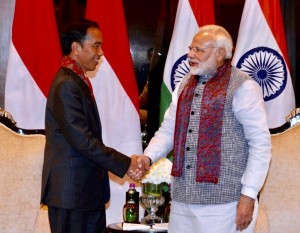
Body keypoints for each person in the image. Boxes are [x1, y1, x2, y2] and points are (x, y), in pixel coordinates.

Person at [141, 25, 272, 233]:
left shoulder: (243, 86)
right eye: (191, 48)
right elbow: (168, 130)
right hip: (183, 201)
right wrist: (147, 157)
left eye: (199, 50)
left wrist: (249, 195)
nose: (190, 55)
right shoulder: (185, 84)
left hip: (226, 203)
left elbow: (260, 144)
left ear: (220, 54)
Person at [41, 19, 148, 233]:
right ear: (76, 48)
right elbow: (83, 141)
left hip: (86, 193)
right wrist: (127, 163)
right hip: (71, 194)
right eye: (96, 46)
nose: (100, 53)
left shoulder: (76, 80)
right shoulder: (66, 84)